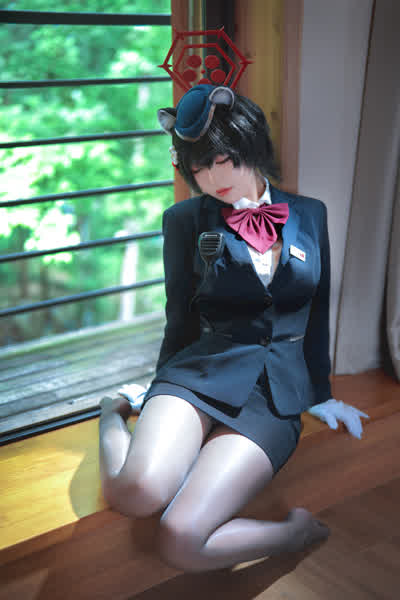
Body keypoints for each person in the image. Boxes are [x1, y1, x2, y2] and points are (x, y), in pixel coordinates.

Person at [99, 85, 368, 573]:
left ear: (250, 144)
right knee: (136, 491)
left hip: (273, 396)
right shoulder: (184, 220)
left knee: (181, 540)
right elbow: (179, 316)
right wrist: (157, 389)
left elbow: (317, 310)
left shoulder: (310, 213)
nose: (211, 178)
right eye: (198, 168)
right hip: (199, 374)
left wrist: (321, 394)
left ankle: (295, 533)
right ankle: (109, 414)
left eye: (221, 160)